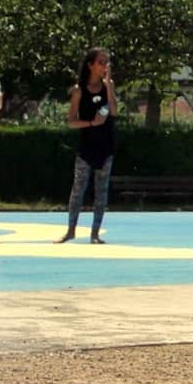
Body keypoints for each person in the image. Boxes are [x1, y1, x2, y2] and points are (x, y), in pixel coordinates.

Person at [60, 48, 116, 245]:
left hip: (106, 146)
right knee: (78, 189)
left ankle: (95, 233)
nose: (104, 66)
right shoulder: (79, 90)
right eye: (101, 62)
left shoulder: (108, 86)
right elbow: (71, 121)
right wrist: (91, 123)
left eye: (106, 63)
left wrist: (108, 85)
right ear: (90, 65)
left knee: (101, 191)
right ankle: (71, 230)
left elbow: (114, 110)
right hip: (86, 147)